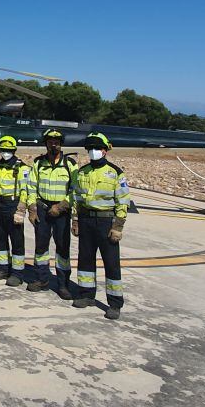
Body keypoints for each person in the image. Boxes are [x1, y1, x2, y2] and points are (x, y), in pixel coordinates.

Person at [71, 132, 131, 320]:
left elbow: (123, 201)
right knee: (85, 260)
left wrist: (118, 226)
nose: (93, 152)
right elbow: (76, 198)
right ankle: (87, 295)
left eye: (97, 149)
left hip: (106, 222)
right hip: (86, 220)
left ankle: (114, 304)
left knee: (111, 263)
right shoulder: (81, 172)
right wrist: (75, 220)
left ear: (105, 151)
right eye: (90, 149)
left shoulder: (115, 172)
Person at [26, 129, 78, 298]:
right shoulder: (38, 163)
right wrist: (32, 209)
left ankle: (63, 284)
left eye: (56, 141)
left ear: (61, 143)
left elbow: (75, 191)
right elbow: (31, 187)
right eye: (50, 141)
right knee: (41, 247)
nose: (53, 144)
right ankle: (42, 279)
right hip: (42, 209)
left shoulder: (70, 164)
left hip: (61, 212)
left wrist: (62, 206)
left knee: (62, 249)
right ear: (46, 143)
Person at [0, 135, 31, 286]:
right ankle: (3, 269)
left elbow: (26, 190)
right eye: (3, 150)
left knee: (17, 240)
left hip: (13, 206)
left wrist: (21, 210)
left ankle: (18, 273)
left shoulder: (22, 167)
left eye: (8, 150)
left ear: (13, 150)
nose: (5, 152)